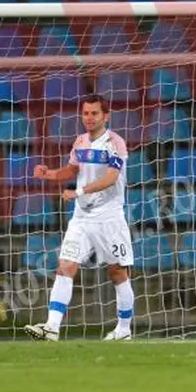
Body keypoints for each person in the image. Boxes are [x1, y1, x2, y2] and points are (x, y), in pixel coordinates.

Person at [24, 95, 136, 342]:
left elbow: (112, 177)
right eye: (85, 113)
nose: (89, 118)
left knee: (118, 273)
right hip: (82, 218)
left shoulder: (115, 142)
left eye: (94, 113)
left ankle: (124, 329)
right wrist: (50, 174)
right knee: (65, 266)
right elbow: (73, 169)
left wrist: (79, 191)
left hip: (109, 217)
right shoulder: (80, 141)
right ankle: (52, 327)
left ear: (105, 116)